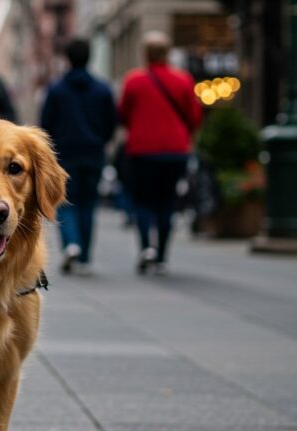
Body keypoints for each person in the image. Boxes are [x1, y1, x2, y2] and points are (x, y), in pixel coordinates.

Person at [119, 31, 202, 275]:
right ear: (168, 53)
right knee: (167, 202)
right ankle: (162, 256)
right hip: (175, 151)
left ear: (145, 54)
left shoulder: (134, 81)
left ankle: (147, 248)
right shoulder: (183, 80)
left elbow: (123, 114)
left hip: (142, 150)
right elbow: (195, 116)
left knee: (143, 201)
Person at [40, 38, 118, 275]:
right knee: (88, 203)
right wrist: (100, 140)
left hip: (64, 154)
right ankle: (83, 255)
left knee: (65, 202)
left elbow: (46, 125)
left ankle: (71, 244)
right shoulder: (103, 89)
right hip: (93, 153)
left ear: (67, 58)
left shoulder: (56, 89)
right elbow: (111, 123)